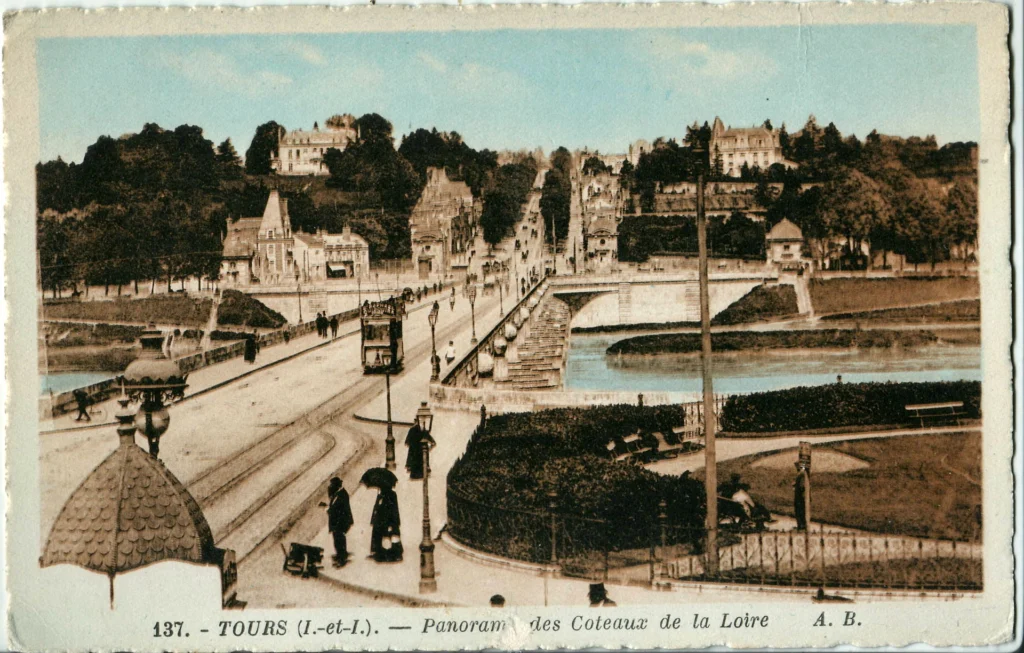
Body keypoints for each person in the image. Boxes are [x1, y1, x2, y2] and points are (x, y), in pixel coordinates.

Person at [370, 486, 402, 562]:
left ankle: (396, 554)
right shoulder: (380, 493)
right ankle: (378, 552)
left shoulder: (391, 494)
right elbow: (377, 507)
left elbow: (393, 509)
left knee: (393, 536)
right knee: (379, 535)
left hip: (389, 520)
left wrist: (391, 523)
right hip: (381, 519)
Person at [326, 477, 354, 567]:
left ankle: (341, 559)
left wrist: (328, 509)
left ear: (337, 485)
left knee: (339, 540)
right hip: (338, 521)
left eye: (332, 485)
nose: (330, 487)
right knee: (338, 539)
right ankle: (341, 554)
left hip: (341, 521)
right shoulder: (338, 493)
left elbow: (336, 509)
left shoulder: (342, 495)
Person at [793, 463, 808, 531]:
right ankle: (800, 525)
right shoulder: (800, 474)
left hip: (800, 497)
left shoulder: (802, 475)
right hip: (799, 496)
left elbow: (802, 487)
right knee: (799, 511)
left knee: (799, 511)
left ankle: (801, 525)